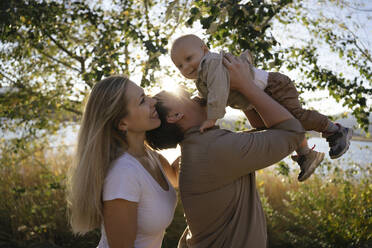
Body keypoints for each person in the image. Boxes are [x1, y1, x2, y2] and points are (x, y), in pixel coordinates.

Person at [146, 53, 306, 248]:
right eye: (180, 95)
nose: (188, 91)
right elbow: (293, 132)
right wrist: (246, 85)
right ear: (175, 115)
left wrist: (235, 93)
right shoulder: (213, 149)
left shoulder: (202, 148)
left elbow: (266, 131)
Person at [170, 34, 352, 181]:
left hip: (274, 86)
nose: (186, 67)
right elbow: (208, 97)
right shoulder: (202, 77)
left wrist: (212, 118)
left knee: (294, 118)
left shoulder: (210, 64)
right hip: (257, 98)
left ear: (204, 49)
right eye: (179, 65)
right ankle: (306, 154)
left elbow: (218, 92)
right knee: (269, 127)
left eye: (188, 58)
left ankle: (335, 130)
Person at [67, 75, 179, 248]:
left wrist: (193, 127)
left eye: (146, 95)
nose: (152, 101)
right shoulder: (123, 173)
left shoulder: (149, 156)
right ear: (122, 123)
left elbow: (176, 177)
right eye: (142, 101)